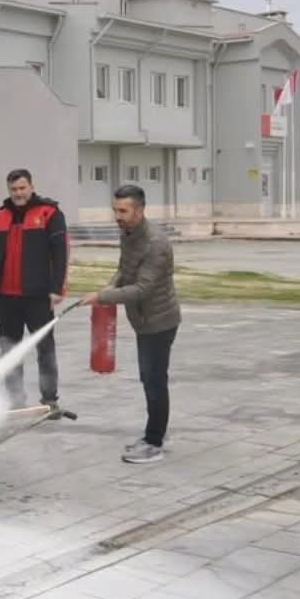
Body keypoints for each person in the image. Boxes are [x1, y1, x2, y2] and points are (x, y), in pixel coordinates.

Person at [80, 185, 181, 466]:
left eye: (123, 211)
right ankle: (156, 432)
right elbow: (124, 270)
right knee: (149, 379)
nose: (117, 216)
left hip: (159, 322)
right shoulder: (129, 234)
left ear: (139, 210)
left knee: (154, 380)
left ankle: (154, 442)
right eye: (115, 210)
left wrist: (103, 297)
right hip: (143, 321)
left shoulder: (156, 244)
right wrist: (110, 286)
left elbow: (142, 289)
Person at [0, 169, 69, 412]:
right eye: (13, 189)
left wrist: (57, 288)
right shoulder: (2, 215)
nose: (18, 193)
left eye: (22, 188)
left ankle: (49, 399)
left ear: (31, 186)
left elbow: (60, 254)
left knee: (45, 349)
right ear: (8, 190)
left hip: (38, 296)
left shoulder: (50, 213)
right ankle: (16, 401)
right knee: (9, 350)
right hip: (6, 298)